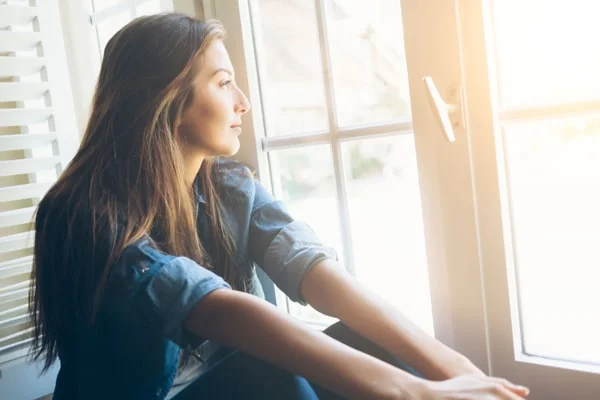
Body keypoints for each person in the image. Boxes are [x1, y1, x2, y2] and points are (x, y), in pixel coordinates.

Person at [29, 13, 530, 400]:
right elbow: (216, 310)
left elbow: (321, 275)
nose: (242, 101)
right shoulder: (81, 214)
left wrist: (455, 370)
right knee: (267, 374)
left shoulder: (229, 187)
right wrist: (412, 392)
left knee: (375, 348)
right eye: (224, 83)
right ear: (169, 98)